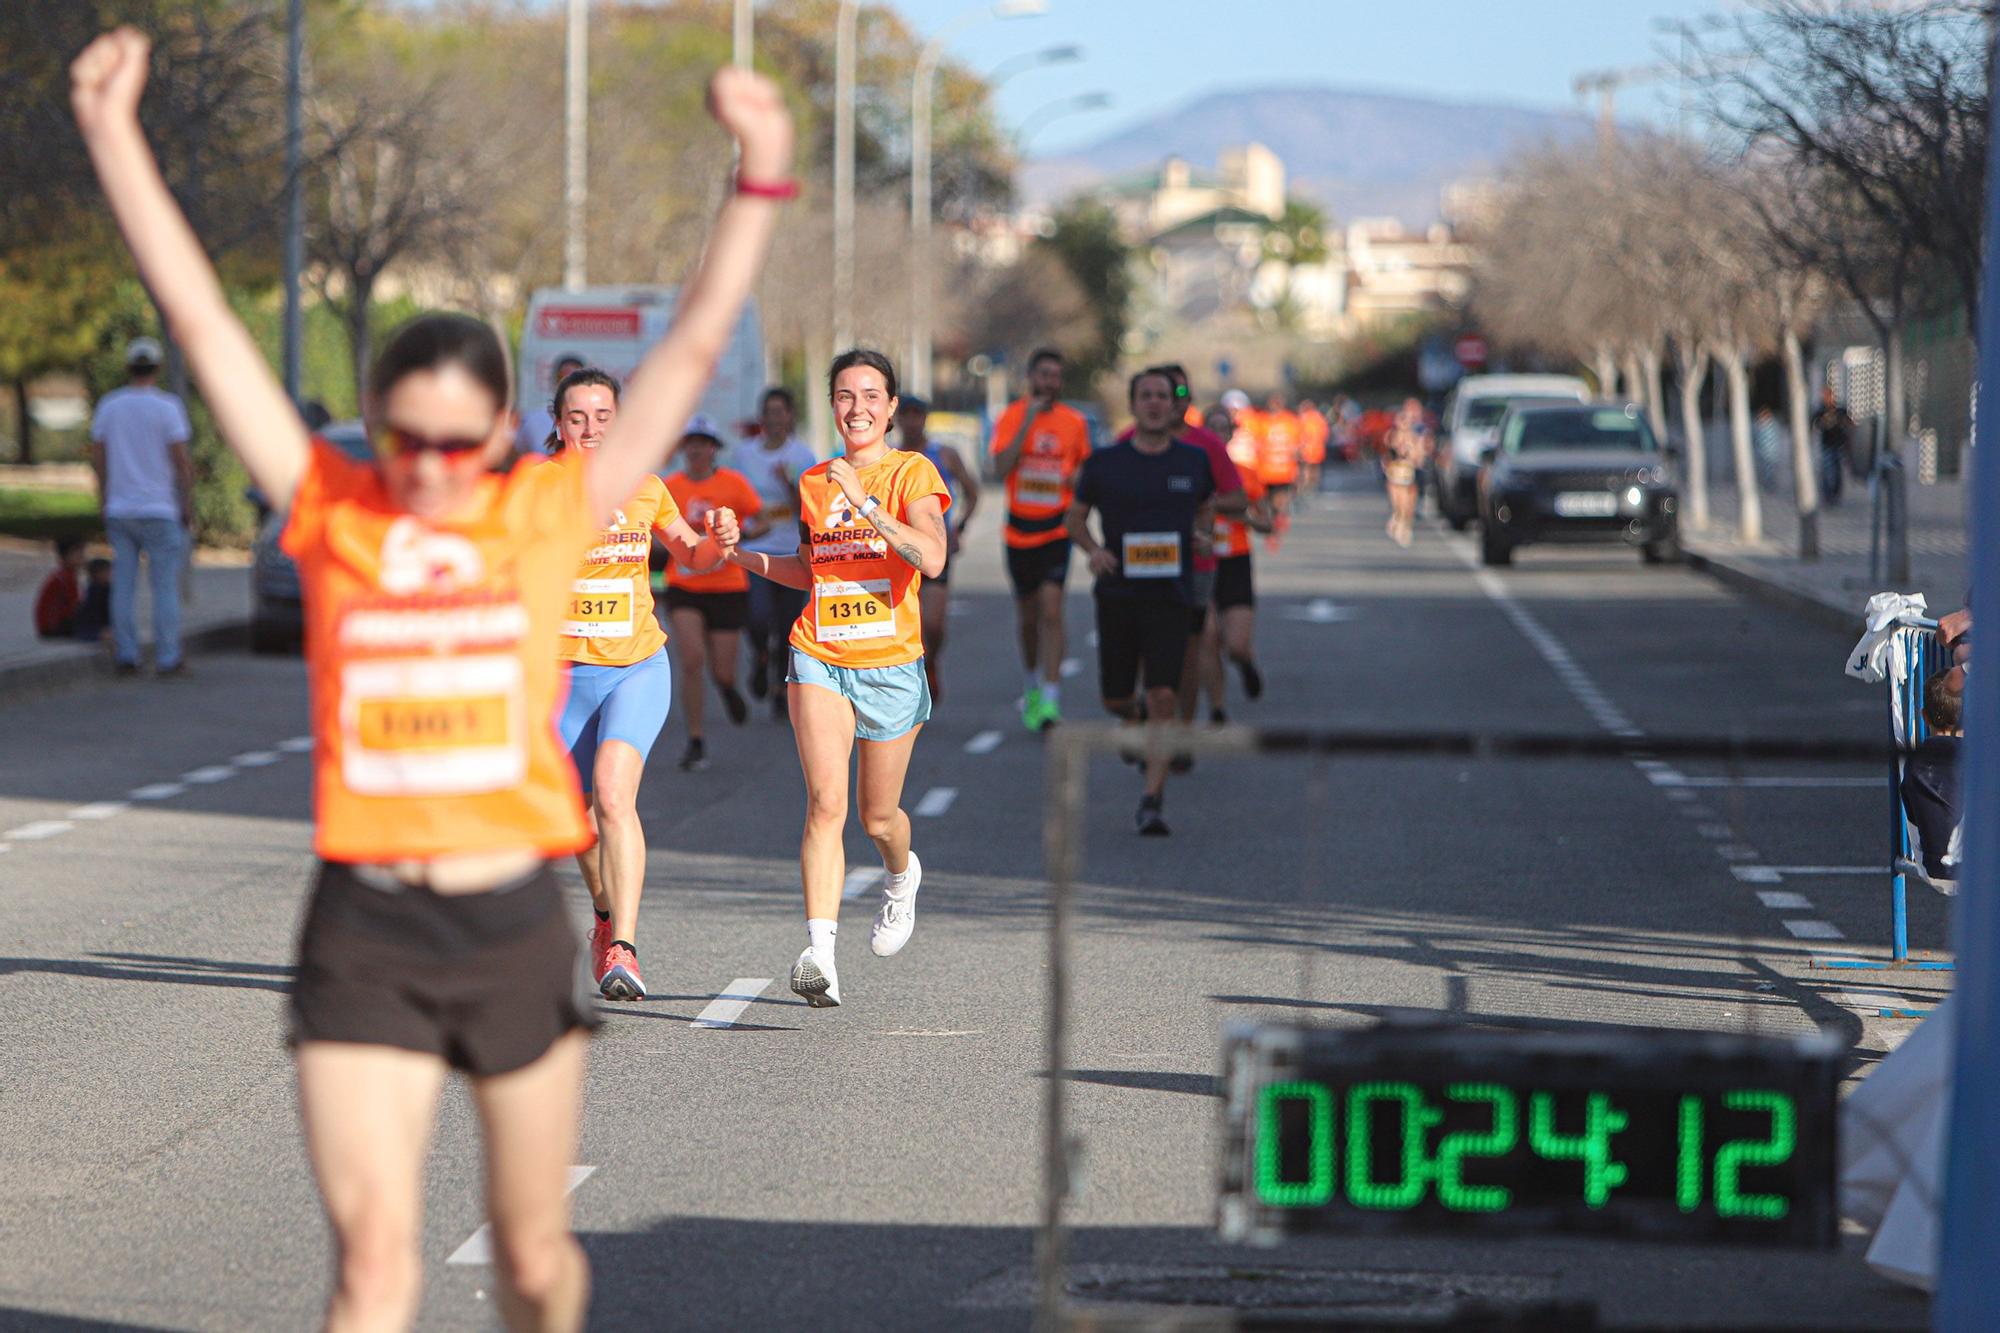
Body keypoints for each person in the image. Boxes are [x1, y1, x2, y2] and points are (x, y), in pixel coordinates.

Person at [69, 24, 791, 1327]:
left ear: (496, 439)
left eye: (462, 440)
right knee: (372, 1265)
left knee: (528, 1262)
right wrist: (116, 137)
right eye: (412, 434)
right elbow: (200, 325)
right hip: (364, 927)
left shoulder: (546, 513)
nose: (435, 460)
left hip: (509, 925)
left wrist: (761, 175)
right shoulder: (335, 511)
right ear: (385, 430)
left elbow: (685, 353)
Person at [729, 349, 949, 1009]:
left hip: (891, 665)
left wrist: (870, 505)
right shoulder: (814, 481)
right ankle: (820, 954)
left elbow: (931, 557)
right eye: (845, 396)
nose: (858, 407)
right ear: (832, 406)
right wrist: (739, 554)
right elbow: (810, 569)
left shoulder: (915, 472)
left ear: (890, 405)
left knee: (879, 817)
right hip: (819, 653)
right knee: (826, 802)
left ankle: (900, 874)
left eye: (871, 395)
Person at [548, 375, 739, 1003]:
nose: (592, 428)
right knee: (574, 819)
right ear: (558, 425)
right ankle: (604, 915)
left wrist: (719, 542)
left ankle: (623, 945)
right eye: (577, 417)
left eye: (604, 416)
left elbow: (692, 555)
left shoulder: (646, 488)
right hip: (560, 675)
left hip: (635, 667)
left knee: (611, 792)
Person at [1066, 369, 1216, 836]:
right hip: (1118, 594)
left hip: (1171, 596)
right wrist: (1095, 552)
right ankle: (1132, 721)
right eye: (1145, 396)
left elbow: (1208, 504)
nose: (1154, 403)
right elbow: (1075, 517)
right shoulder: (1106, 462)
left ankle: (1152, 799)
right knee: (1116, 696)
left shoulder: (1193, 461)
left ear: (1175, 407)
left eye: (1162, 397)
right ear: (1133, 404)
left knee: (1164, 694)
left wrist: (1202, 533)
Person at [990, 348, 1092, 732]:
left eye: (1055, 376)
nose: (1049, 382)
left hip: (1055, 529)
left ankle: (1050, 696)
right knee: (1028, 619)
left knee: (1052, 611)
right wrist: (1028, 421)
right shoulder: (1012, 417)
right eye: (1043, 375)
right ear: (1031, 377)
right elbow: (1000, 468)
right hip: (1019, 531)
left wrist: (1074, 479)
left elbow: (1087, 471)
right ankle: (1032, 681)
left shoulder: (1075, 422)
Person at [663, 414, 766, 772]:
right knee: (691, 659)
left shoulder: (734, 484)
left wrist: (742, 536)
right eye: (690, 442)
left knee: (722, 670)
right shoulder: (670, 487)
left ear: (713, 449)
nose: (696, 449)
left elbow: (759, 516)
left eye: (703, 443)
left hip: (726, 586)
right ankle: (695, 739)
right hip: (685, 585)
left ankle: (727, 687)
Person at [89, 333, 193, 676]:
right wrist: (186, 502)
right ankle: (167, 657)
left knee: (124, 584)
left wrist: (104, 497)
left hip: (121, 508)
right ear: (158, 367)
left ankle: (127, 655)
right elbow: (180, 460)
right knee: (164, 587)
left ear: (128, 367)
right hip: (159, 508)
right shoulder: (168, 407)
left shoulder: (110, 405)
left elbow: (99, 457)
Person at [730, 386, 819, 719]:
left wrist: (787, 483)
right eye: (768, 412)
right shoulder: (745, 454)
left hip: (792, 550)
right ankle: (760, 656)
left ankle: (780, 687)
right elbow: (735, 497)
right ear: (762, 417)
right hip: (756, 547)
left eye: (781, 411)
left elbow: (810, 509)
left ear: (790, 416)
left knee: (787, 627)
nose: (774, 418)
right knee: (756, 616)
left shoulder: (802, 455)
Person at [894, 394, 979, 704]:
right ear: (897, 418)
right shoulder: (890, 457)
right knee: (907, 624)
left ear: (926, 418)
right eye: (907, 414)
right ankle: (910, 680)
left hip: (935, 548)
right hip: (900, 551)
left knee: (933, 623)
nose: (912, 421)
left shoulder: (943, 455)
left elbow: (972, 492)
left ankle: (931, 662)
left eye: (918, 414)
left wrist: (960, 526)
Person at [1200, 403, 1274, 721]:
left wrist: (1238, 514)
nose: (1218, 435)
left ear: (1231, 434)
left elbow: (1267, 523)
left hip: (1235, 561)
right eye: (1211, 429)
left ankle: (1245, 664)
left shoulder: (1245, 475)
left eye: (1223, 428)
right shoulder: (1192, 472)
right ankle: (1217, 708)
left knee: (1236, 645)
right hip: (1202, 561)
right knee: (1209, 636)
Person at [1903, 670, 1963, 882]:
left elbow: (1911, 814)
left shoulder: (1914, 760)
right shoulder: (1977, 757)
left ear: (1924, 716)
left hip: (1933, 866)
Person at [1254, 393, 1301, 546]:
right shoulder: (1262, 421)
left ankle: (1276, 527)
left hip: (1284, 470)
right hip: (1265, 471)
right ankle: (1272, 526)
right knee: (1268, 503)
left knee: (1280, 500)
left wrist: (1298, 467)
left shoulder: (1290, 421)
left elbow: (1297, 446)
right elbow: (1256, 444)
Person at [515, 353, 584, 457]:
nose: (569, 385)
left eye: (576, 380)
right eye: (563, 378)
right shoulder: (533, 421)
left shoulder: (596, 425)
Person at [1384, 396, 1430, 547]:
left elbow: (1419, 455)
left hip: (1408, 474)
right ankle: (1398, 521)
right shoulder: (1392, 436)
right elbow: (1386, 455)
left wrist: (1415, 454)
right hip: (1395, 475)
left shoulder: (1416, 435)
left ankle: (1405, 526)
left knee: (1408, 503)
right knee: (1398, 503)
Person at [33, 537, 85, 638]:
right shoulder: (65, 578)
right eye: (77, 554)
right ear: (64, 557)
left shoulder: (64, 575)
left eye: (82, 553)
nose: (81, 557)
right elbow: (73, 607)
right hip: (53, 627)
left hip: (50, 625)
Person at [1813, 384, 1852, 506]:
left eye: (1828, 395)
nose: (1826, 398)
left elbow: (1850, 423)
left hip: (1839, 445)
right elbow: (1816, 424)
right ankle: (1828, 494)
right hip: (1827, 445)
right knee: (1827, 470)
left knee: (1837, 471)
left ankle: (1835, 493)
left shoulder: (1840, 410)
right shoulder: (1821, 411)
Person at [75, 557, 113, 642]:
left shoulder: (100, 589)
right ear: (97, 574)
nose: (110, 574)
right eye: (107, 571)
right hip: (91, 627)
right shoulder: (97, 590)